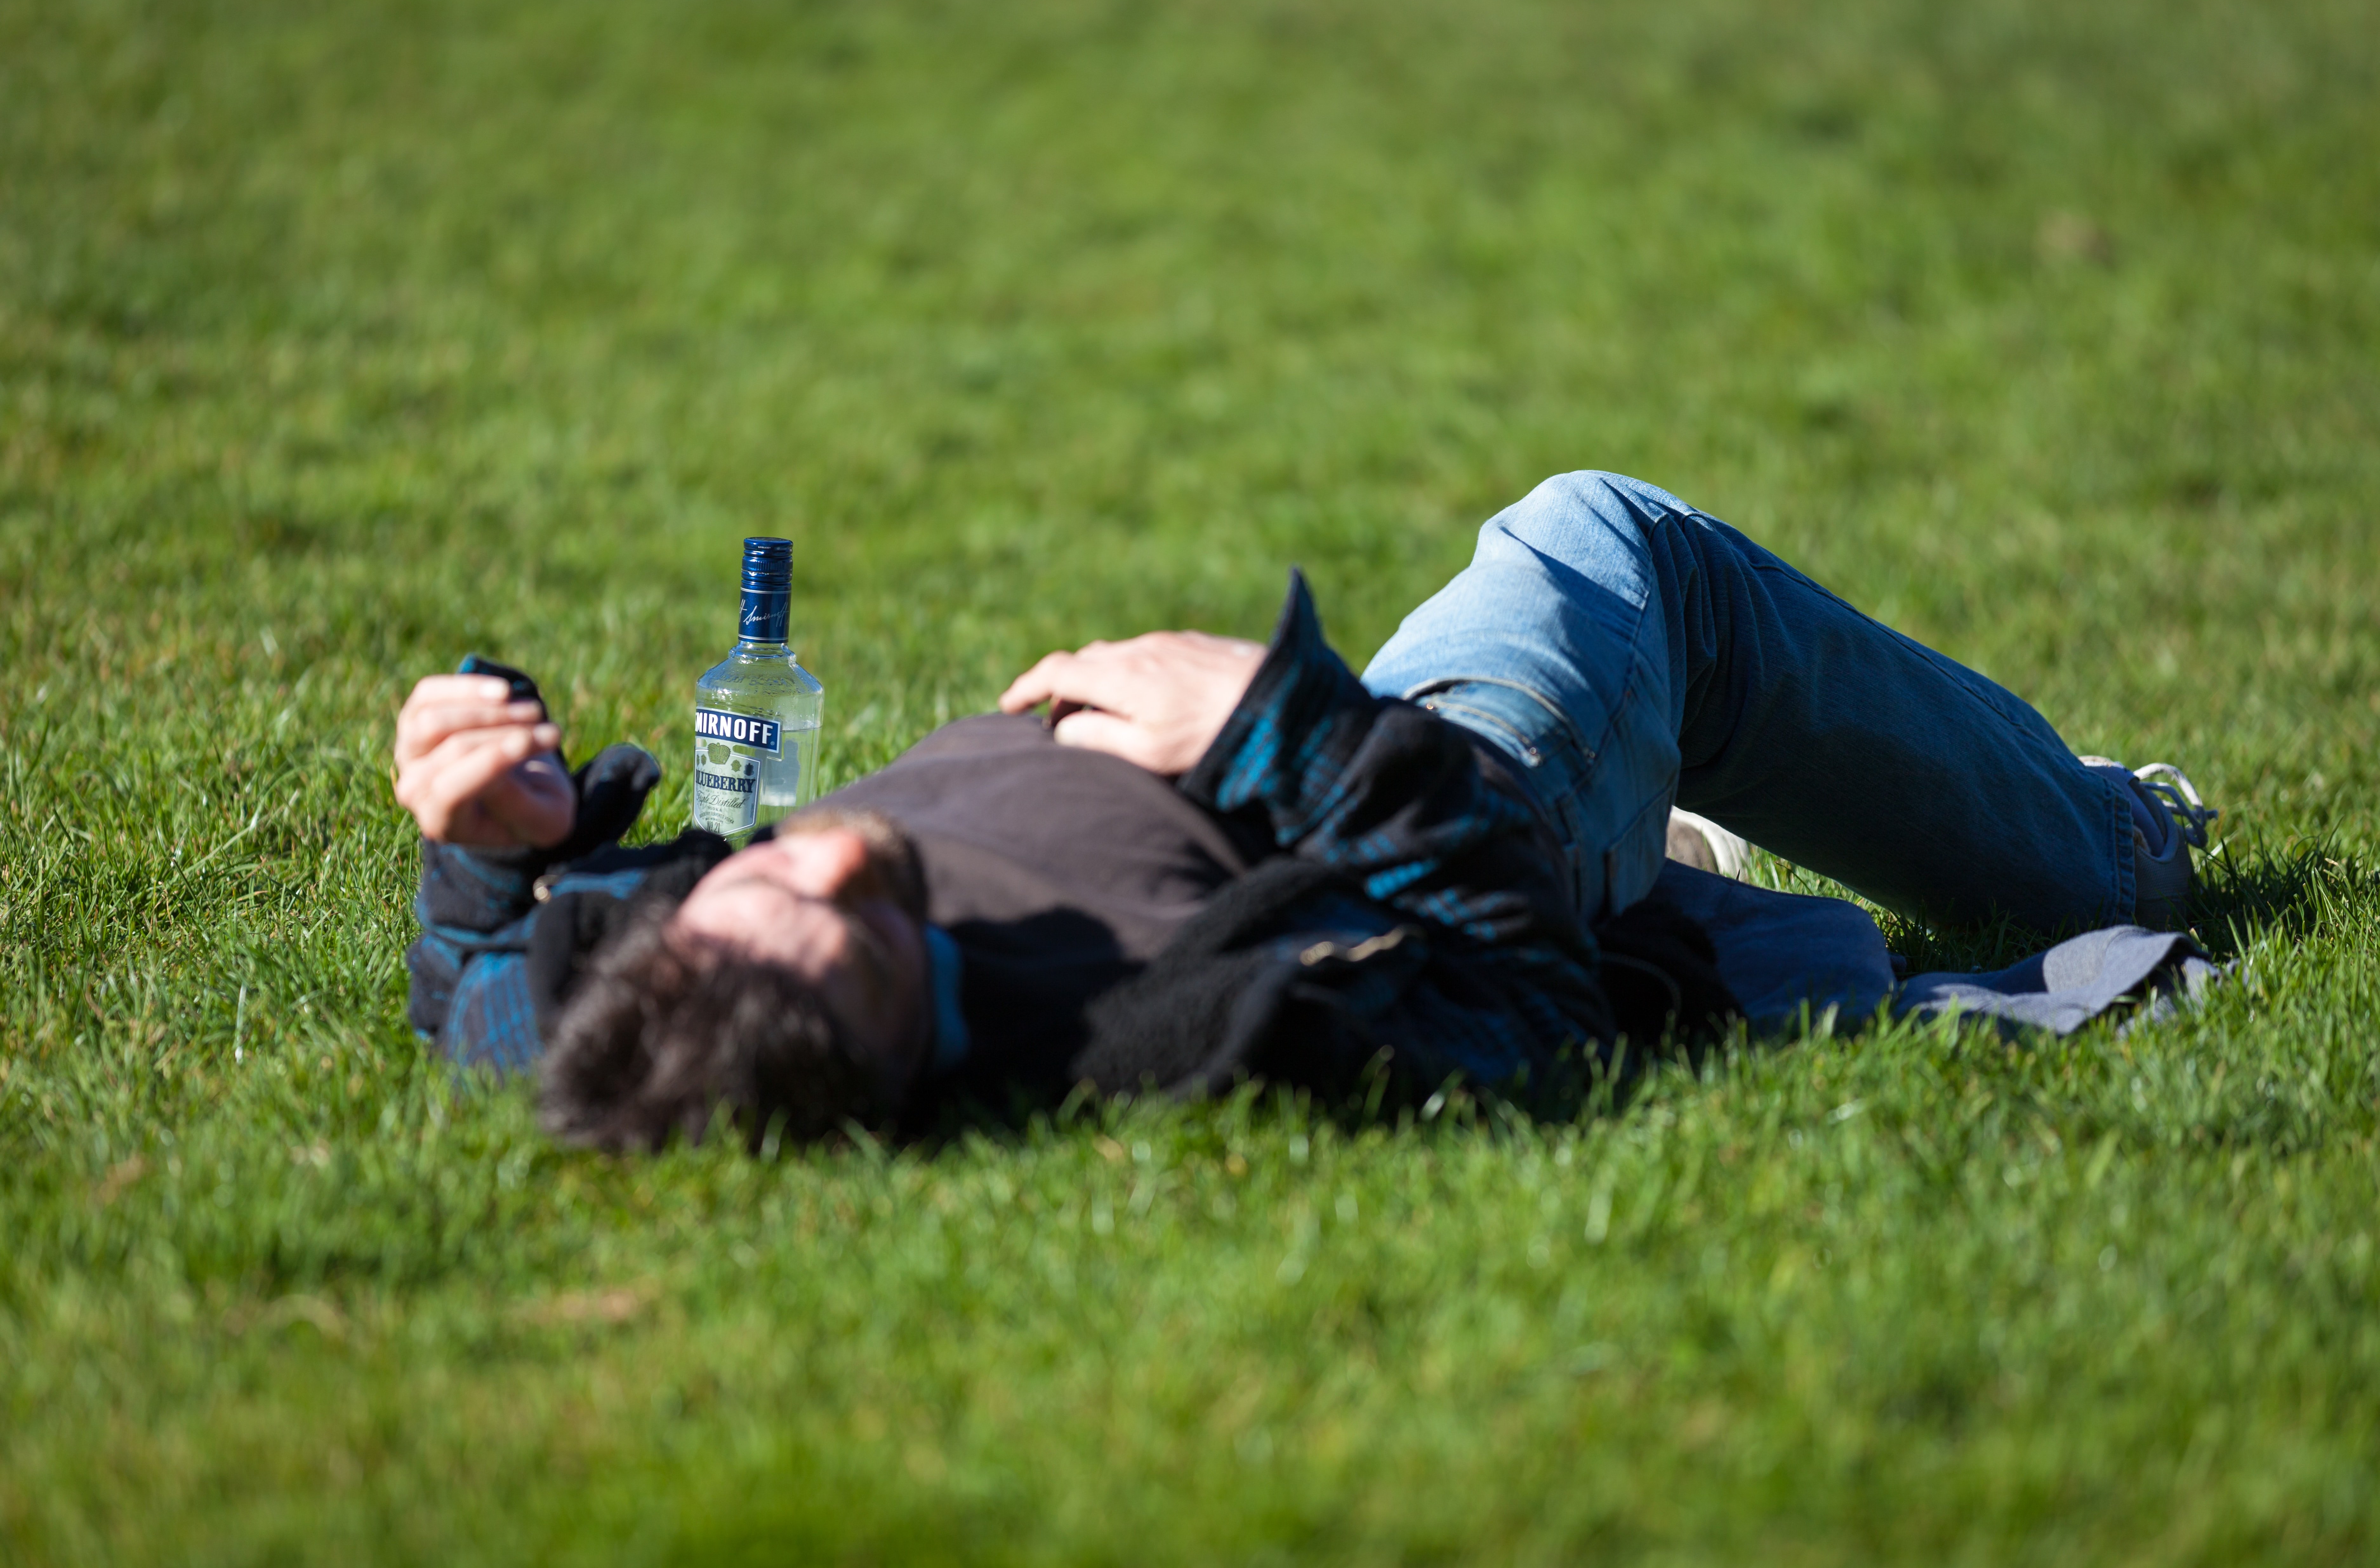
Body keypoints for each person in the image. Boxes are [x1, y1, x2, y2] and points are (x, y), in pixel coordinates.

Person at [397, 472, 2214, 1150]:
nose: (838, 852)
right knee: (1607, 545)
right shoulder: (1192, 1038)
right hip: (1434, 789)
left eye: (763, 879)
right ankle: (2105, 840)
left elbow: (484, 979)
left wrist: (482, 831)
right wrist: (1279, 730)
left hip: (1339, 766)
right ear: (888, 1057)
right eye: (871, 932)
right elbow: (1522, 993)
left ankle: (1698, 873)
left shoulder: (639, 1011)